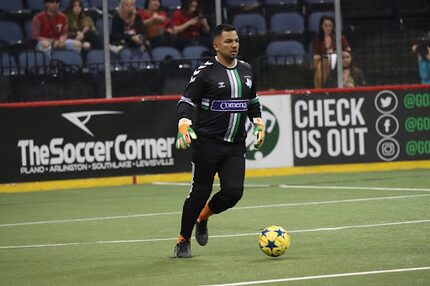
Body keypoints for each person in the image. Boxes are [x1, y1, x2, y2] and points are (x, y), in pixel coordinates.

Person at [173, 24, 265, 258]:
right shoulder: (205, 72)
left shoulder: (246, 70)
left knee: (233, 192)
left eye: (236, 40)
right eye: (228, 41)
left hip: (235, 146)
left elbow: (252, 102)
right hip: (206, 145)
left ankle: (203, 218)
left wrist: (259, 122)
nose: (234, 45)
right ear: (216, 45)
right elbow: (186, 101)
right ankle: (183, 240)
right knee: (199, 193)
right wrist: (184, 123)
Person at [312, 15, 351, 88]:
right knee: (323, 63)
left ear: (333, 26)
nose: (328, 28)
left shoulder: (339, 37)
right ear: (321, 26)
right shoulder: (318, 40)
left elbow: (348, 50)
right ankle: (321, 89)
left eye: (330, 26)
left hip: (339, 63)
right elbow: (315, 57)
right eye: (325, 26)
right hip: (324, 65)